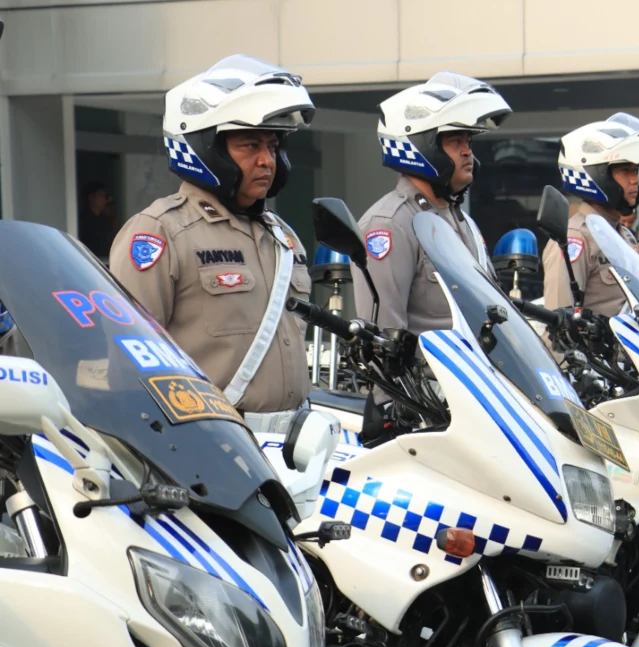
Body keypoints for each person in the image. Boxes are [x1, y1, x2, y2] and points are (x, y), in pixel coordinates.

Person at [109, 55, 315, 426]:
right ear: (209, 150)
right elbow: (128, 361)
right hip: (215, 443)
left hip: (294, 442)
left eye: (273, 146)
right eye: (250, 146)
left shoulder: (283, 237)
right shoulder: (160, 232)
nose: (267, 160)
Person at [352, 72, 510, 335]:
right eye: (455, 141)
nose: (467, 151)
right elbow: (384, 336)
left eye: (468, 141)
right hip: (430, 376)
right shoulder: (391, 224)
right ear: (421, 146)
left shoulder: (461, 220)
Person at [542, 113, 639, 317]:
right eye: (625, 171)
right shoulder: (574, 239)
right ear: (597, 174)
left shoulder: (623, 235)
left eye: (636, 171)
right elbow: (560, 327)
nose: (635, 180)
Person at [79, 182, 117, 259]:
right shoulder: (84, 220)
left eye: (104, 196)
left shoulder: (104, 220)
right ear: (91, 197)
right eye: (100, 196)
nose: (104, 200)